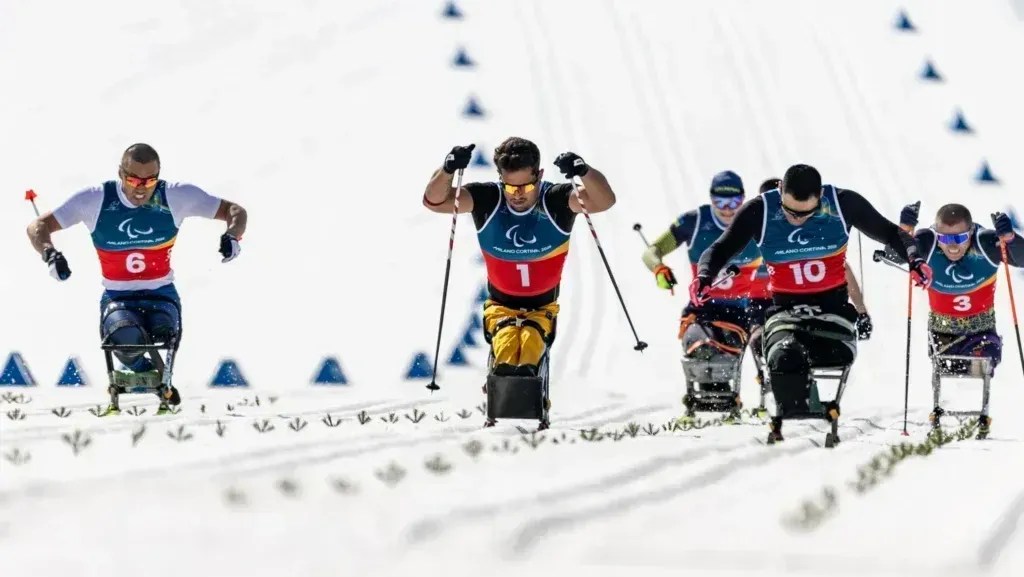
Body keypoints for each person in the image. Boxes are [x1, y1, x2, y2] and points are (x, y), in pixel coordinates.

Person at [695, 164, 928, 441]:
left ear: (820, 196)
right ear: (780, 190)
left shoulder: (843, 203)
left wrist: (916, 260)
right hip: (785, 311)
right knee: (782, 356)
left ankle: (818, 409)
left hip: (833, 310)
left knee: (836, 358)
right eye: (790, 211)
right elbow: (720, 248)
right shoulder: (760, 210)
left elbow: (892, 234)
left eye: (807, 212)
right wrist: (704, 276)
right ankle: (792, 414)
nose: (797, 219)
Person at [26, 143, 247, 412]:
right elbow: (37, 226)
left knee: (164, 332)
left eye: (149, 180)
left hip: (162, 293)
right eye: (132, 179)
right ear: (120, 173)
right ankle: (153, 377)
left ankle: (158, 376)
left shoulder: (176, 195)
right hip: (118, 297)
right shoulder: (95, 199)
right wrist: (50, 254)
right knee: (125, 338)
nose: (141, 188)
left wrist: (232, 236)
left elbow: (235, 211)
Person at [423, 137, 616, 379]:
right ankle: (501, 388)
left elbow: (604, 201)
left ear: (540, 174)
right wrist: (448, 170)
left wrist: (583, 171)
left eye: (524, 187)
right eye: (510, 187)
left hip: (542, 307)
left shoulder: (556, 200)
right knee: (505, 344)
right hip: (500, 306)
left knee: (530, 344)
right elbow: (435, 201)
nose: (517, 195)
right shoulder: (487, 198)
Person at [891, 202, 1024, 429]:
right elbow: (893, 255)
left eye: (959, 239)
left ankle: (982, 410)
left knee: (984, 361)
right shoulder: (928, 242)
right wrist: (904, 230)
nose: (952, 247)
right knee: (945, 367)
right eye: (945, 239)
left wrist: (1010, 237)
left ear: (970, 232)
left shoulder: (985, 243)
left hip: (981, 331)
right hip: (942, 333)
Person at [640, 171, 762, 398]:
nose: (727, 209)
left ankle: (732, 398)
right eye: (720, 202)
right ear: (711, 199)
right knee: (699, 347)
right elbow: (652, 251)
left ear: (743, 199)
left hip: (739, 310)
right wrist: (659, 268)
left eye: (734, 202)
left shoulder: (755, 223)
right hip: (702, 308)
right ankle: (702, 400)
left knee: (728, 352)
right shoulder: (695, 222)